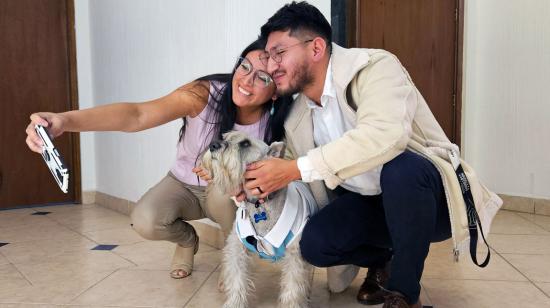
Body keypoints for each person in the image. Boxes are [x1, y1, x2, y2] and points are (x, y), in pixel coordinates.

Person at [242, 2, 502, 307]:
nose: (272, 66)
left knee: (401, 169)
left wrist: (292, 169)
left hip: (428, 199)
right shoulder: (296, 117)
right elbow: (297, 178)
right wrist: (253, 185)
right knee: (315, 244)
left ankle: (403, 296)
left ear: (316, 48)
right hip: (370, 204)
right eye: (269, 57)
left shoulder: (375, 67)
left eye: (279, 53)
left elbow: (384, 136)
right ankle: (384, 258)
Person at [25, 39, 294, 280]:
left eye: (263, 78)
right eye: (244, 66)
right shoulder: (204, 94)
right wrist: (63, 121)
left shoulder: (277, 123)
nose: (246, 80)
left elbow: (280, 177)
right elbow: (137, 115)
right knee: (145, 219)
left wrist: (232, 180)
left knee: (225, 193)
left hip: (229, 196)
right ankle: (188, 241)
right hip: (183, 184)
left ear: (275, 92)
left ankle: (234, 261)